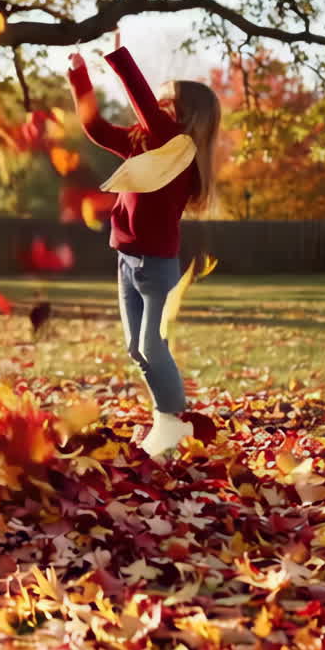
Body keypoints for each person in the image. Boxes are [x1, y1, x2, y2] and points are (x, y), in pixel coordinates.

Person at [66, 33, 221, 458]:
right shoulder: (148, 148)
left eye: (170, 103)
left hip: (156, 267)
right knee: (136, 347)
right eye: (162, 102)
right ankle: (165, 422)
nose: (161, 107)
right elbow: (96, 127)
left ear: (189, 116)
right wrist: (80, 79)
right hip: (127, 260)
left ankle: (172, 424)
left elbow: (147, 109)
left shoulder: (179, 148)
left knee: (153, 346)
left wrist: (118, 57)